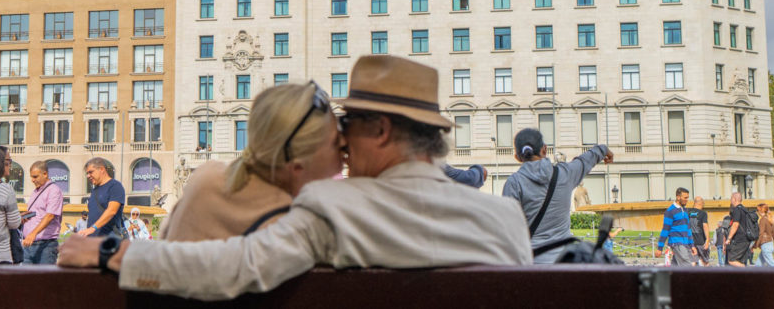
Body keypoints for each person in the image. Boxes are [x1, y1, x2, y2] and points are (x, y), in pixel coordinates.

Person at [58, 54, 532, 300]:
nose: (342, 144)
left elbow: (236, 266)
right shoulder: (507, 216)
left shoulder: (334, 207)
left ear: (381, 131)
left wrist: (112, 252)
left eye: (348, 127)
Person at [160, 83, 343, 241]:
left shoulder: (205, 177)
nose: (345, 145)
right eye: (335, 142)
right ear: (297, 167)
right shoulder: (290, 224)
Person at [502, 127, 612, 263]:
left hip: (530, 264)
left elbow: (508, 228)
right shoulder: (565, 173)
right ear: (544, 149)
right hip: (563, 262)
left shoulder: (514, 183)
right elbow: (586, 160)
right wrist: (604, 150)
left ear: (517, 157)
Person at [22, 161, 64, 264]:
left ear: (45, 174)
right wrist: (24, 216)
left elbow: (50, 215)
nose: (32, 180)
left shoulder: (53, 190)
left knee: (44, 279)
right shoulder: (35, 192)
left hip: (45, 245)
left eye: (35, 177)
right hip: (28, 245)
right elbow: (37, 213)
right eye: (31, 177)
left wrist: (33, 233)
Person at [80, 158, 125, 237]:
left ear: (101, 169)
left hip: (109, 241)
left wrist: (93, 228)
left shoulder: (115, 186)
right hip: (92, 241)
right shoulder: (94, 190)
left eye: (91, 172)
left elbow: (112, 211)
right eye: (87, 173)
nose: (88, 176)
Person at [656, 187, 697, 266]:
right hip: (677, 243)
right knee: (688, 268)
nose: (687, 200)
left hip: (685, 244)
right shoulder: (670, 211)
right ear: (678, 197)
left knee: (675, 268)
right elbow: (665, 230)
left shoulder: (685, 210)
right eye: (685, 198)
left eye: (687, 198)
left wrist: (692, 245)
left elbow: (688, 229)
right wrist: (659, 248)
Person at [723, 192, 750, 267]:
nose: (730, 201)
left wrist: (729, 238)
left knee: (731, 260)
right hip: (746, 239)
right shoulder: (745, 210)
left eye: (731, 199)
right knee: (740, 261)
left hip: (739, 240)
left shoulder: (737, 210)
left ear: (734, 199)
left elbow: (735, 224)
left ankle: (748, 271)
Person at [687, 196, 710, 266]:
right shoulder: (703, 213)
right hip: (701, 241)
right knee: (705, 262)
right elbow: (705, 226)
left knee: (692, 262)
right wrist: (707, 240)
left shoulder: (688, 211)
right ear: (700, 203)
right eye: (703, 204)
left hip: (690, 242)